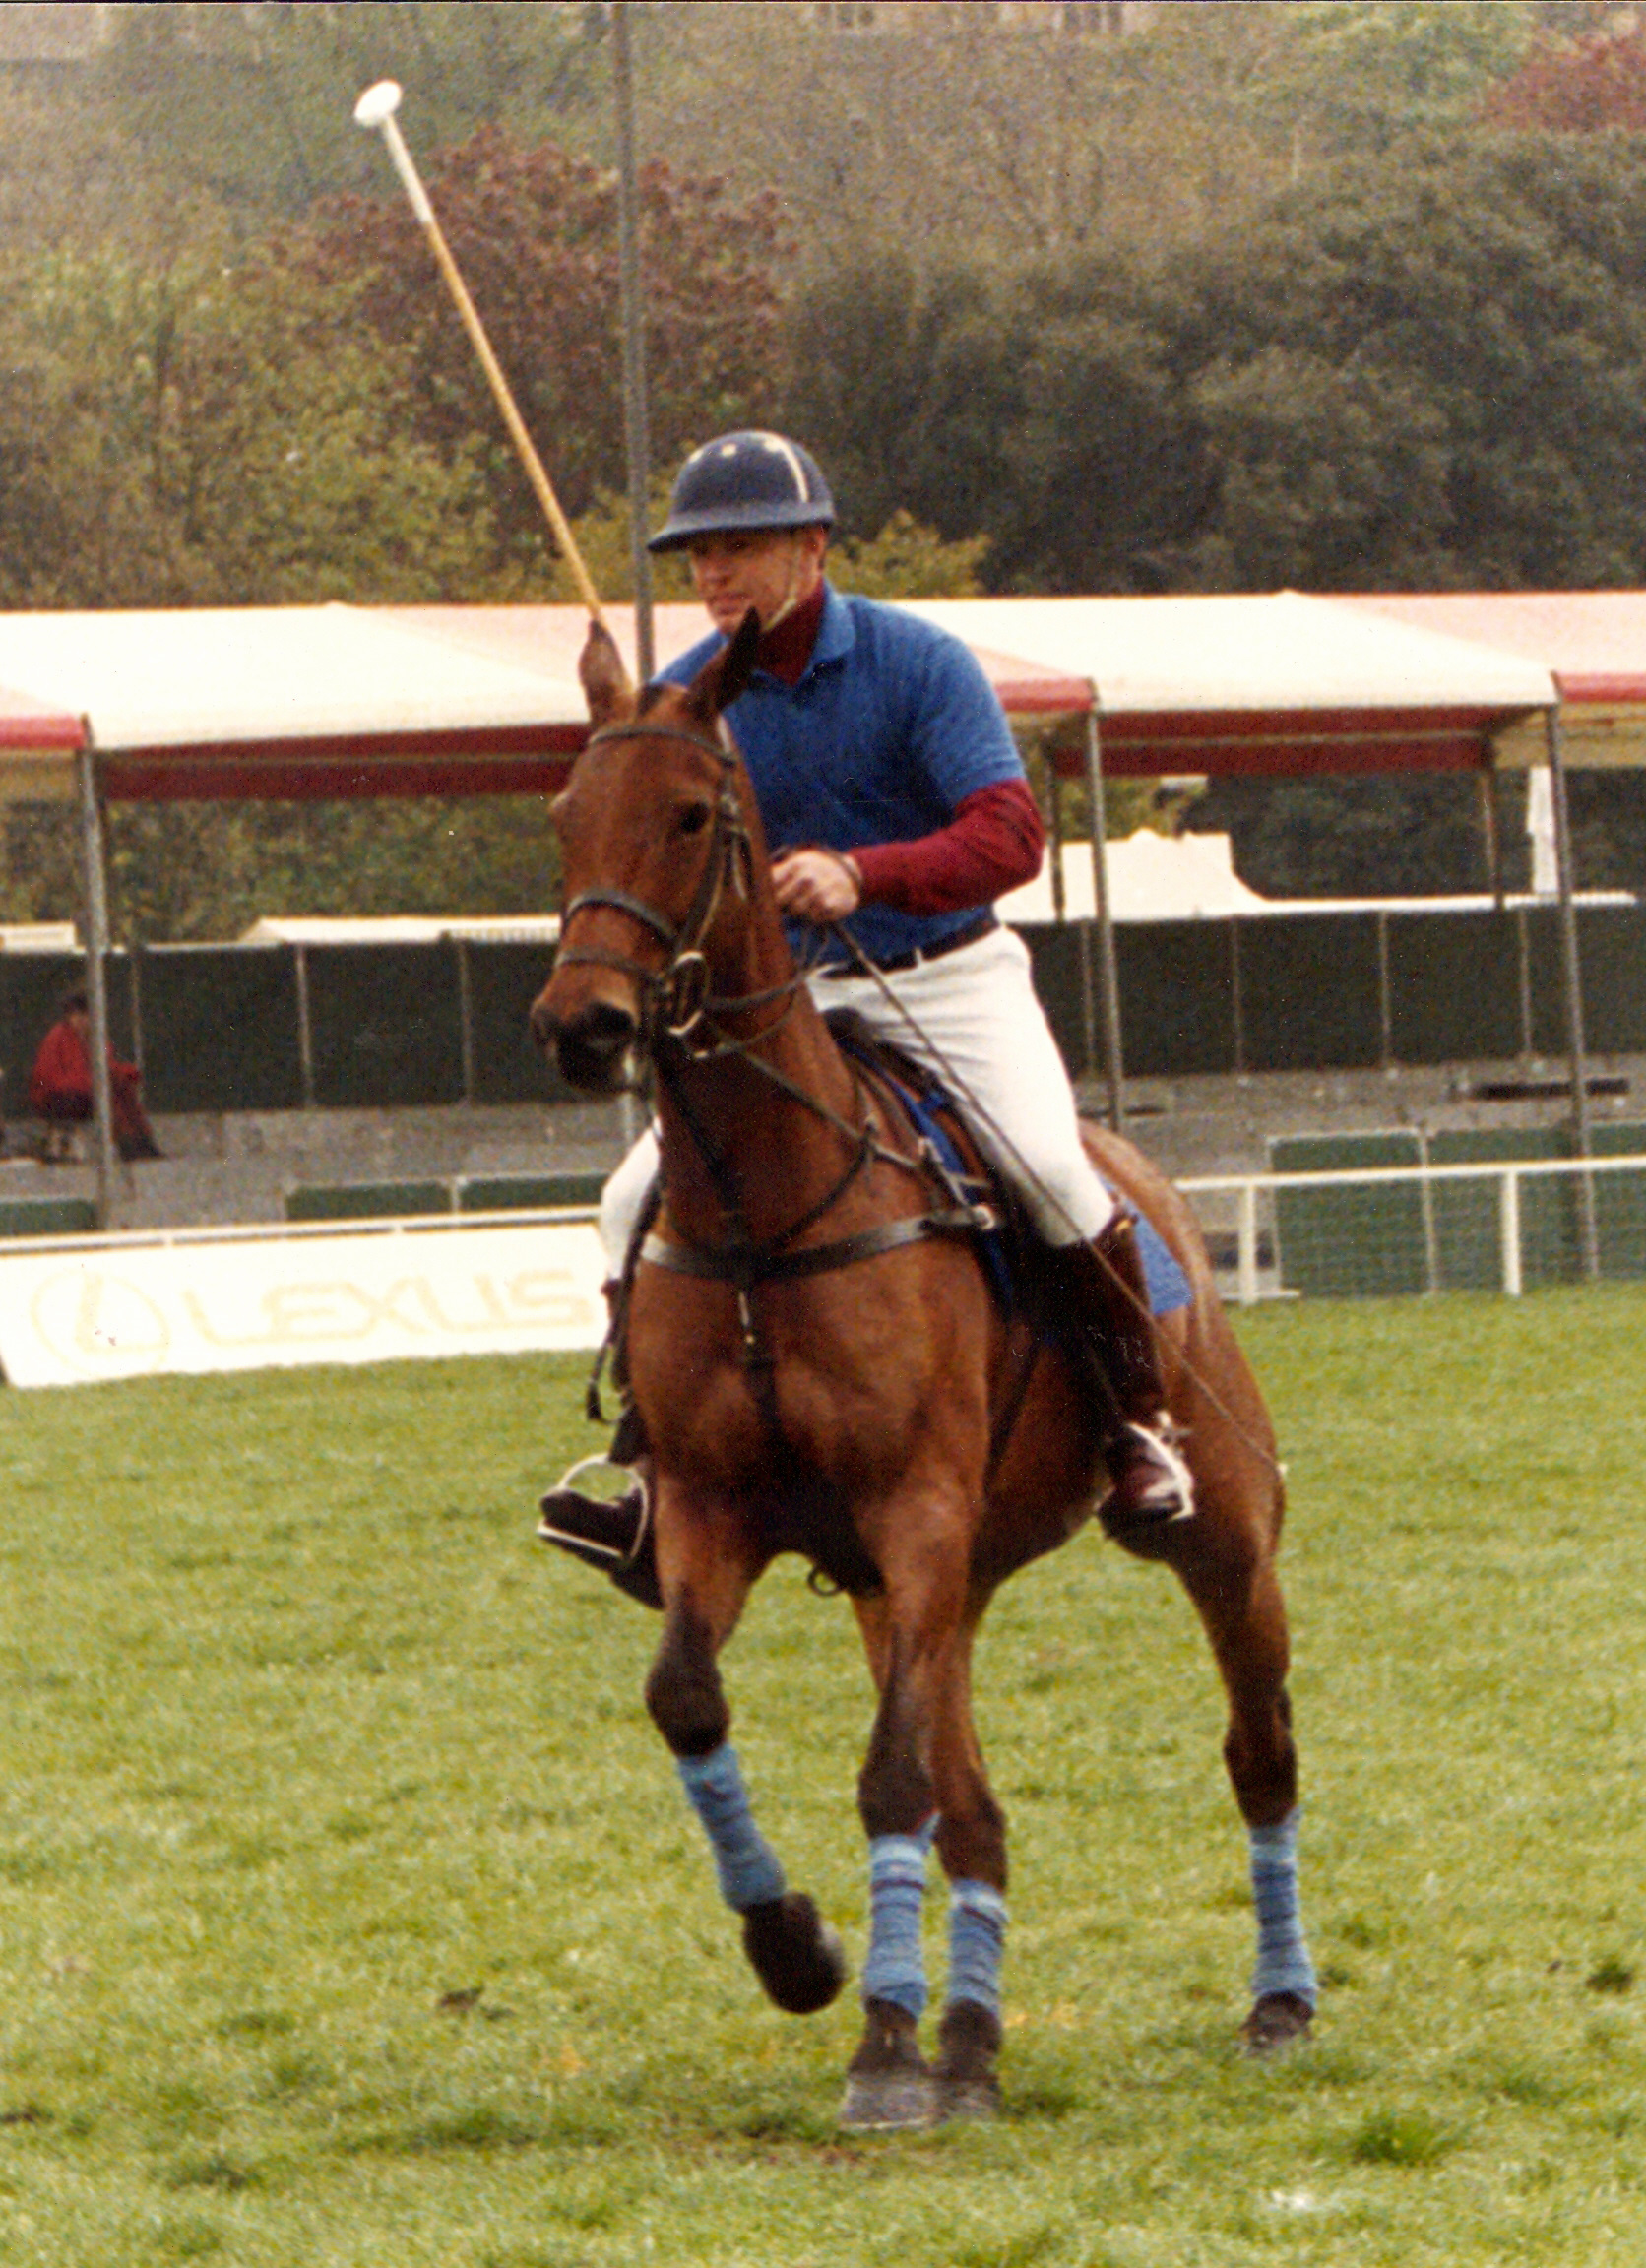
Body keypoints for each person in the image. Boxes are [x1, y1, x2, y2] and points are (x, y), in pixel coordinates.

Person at [538, 429, 1191, 1595]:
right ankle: (652, 1467)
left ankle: (1138, 1425)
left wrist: (863, 872)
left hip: (944, 971)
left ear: (813, 548)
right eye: (699, 554)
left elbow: (1009, 833)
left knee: (1046, 1165)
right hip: (789, 998)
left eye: (741, 548)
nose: (714, 574)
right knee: (626, 1197)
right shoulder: (685, 698)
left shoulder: (916, 662)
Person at [29, 990, 161, 1162]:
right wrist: (96, 1083)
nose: (81, 1020)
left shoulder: (95, 1038)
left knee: (123, 1091)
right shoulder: (58, 1038)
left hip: (86, 1093)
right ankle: (130, 1144)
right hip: (58, 1099)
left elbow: (106, 1067)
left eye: (85, 1015)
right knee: (112, 1096)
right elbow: (52, 1080)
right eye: (76, 1014)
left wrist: (124, 1074)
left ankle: (141, 1141)